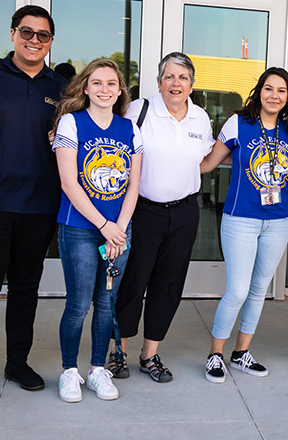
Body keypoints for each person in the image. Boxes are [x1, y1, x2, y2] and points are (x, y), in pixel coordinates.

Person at [0, 5, 68, 400]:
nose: (34, 40)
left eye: (42, 35)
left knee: (25, 289)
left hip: (40, 205)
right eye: (27, 32)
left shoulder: (62, 88)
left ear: (51, 41)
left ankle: (17, 362)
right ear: (12, 34)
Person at [107, 52, 214, 383]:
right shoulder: (138, 110)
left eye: (183, 78)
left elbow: (205, 161)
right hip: (142, 210)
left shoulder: (200, 118)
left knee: (168, 285)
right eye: (169, 77)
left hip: (184, 212)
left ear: (192, 84)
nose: (176, 83)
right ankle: (118, 352)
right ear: (158, 82)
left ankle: (149, 354)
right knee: (132, 283)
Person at [199, 67, 288, 383]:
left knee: (259, 289)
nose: (275, 96)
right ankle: (215, 355)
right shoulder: (238, 123)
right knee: (238, 290)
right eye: (269, 89)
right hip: (241, 220)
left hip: (278, 221)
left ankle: (241, 353)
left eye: (281, 91)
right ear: (259, 92)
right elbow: (208, 163)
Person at [51, 58, 142, 402]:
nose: (105, 90)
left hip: (118, 231)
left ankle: (97, 369)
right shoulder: (71, 124)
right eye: (98, 83)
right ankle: (69, 371)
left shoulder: (129, 129)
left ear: (120, 90)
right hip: (80, 229)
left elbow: (133, 185)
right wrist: (104, 226)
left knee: (107, 304)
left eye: (112, 84)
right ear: (86, 87)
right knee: (78, 304)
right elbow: (69, 183)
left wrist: (119, 228)